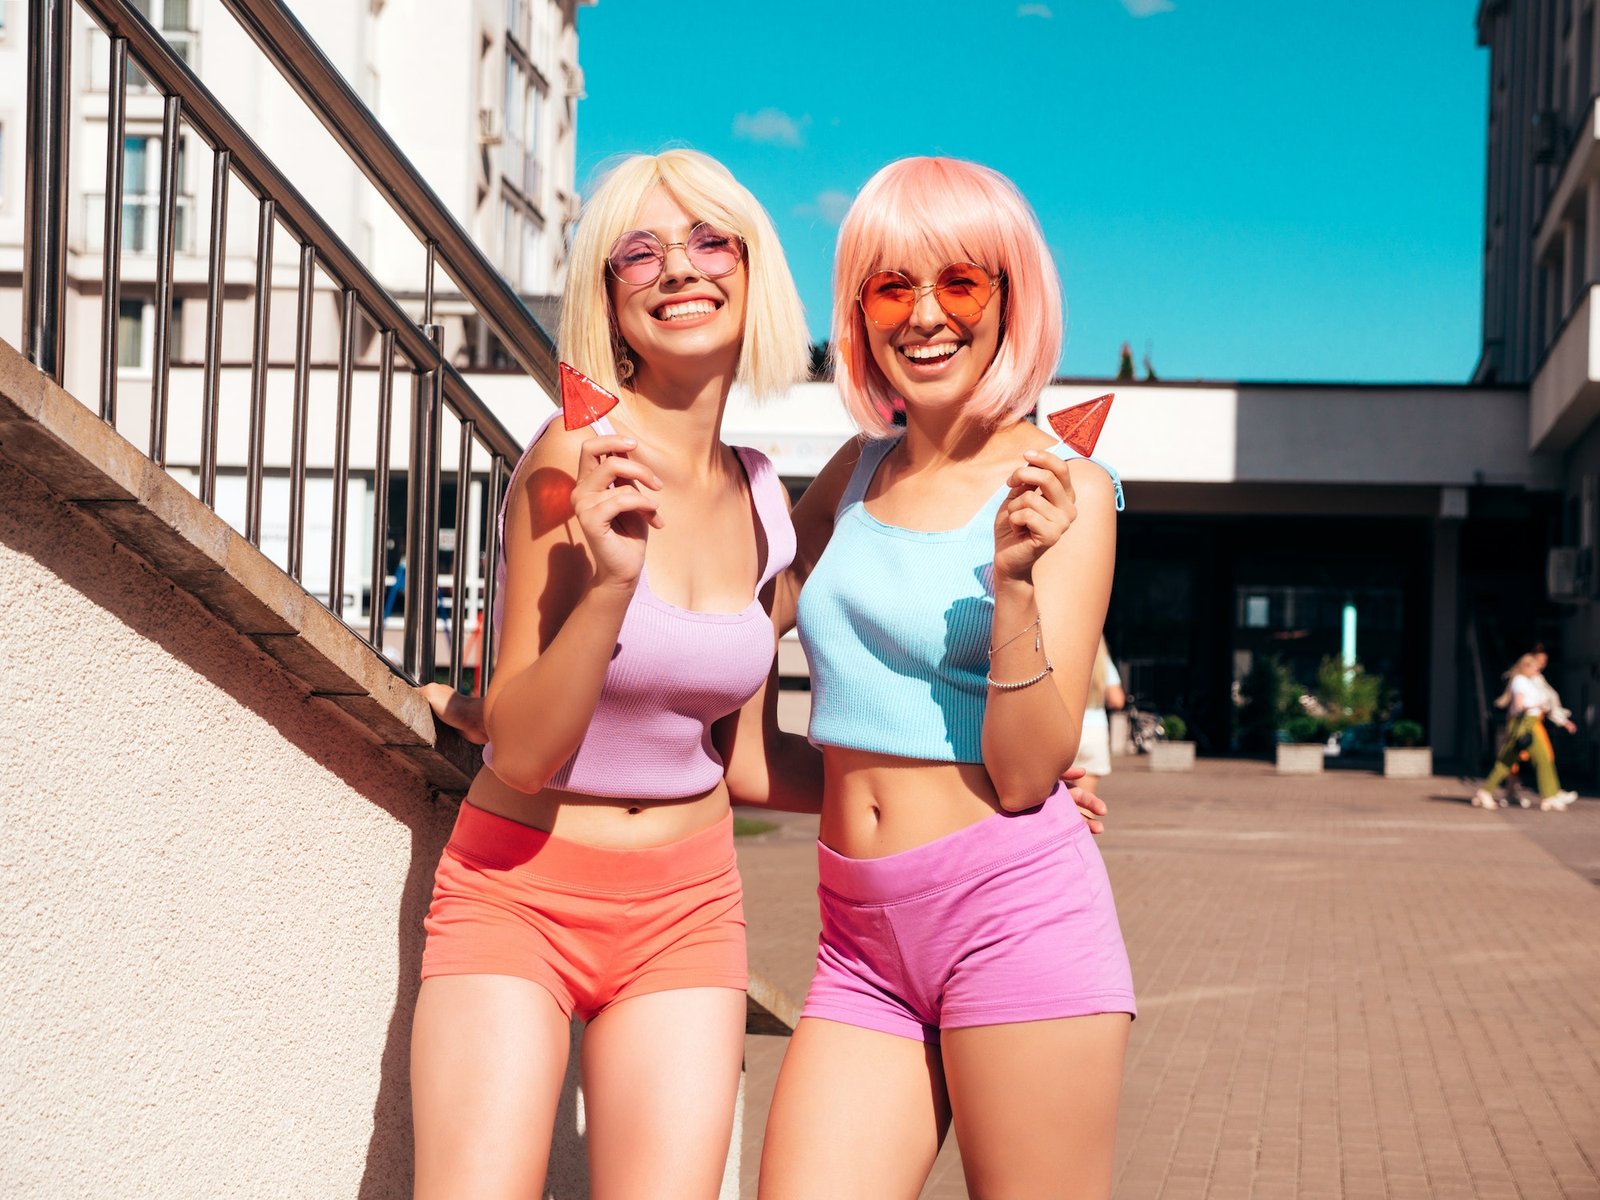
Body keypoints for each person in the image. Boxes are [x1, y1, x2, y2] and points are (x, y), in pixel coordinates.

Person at [408, 148, 827, 1199]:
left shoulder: (766, 498)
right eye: (638, 253)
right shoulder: (569, 459)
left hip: (689, 905)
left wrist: (963, 792)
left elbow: (749, 763)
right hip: (521, 889)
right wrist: (607, 587)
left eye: (706, 241)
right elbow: (528, 748)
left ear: (752, 266)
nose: (677, 270)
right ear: (609, 297)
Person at [760, 157, 1134, 1199]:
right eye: (890, 286)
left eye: (960, 282)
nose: (923, 314)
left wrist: (1015, 581)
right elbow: (732, 635)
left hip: (1012, 916)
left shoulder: (1066, 486)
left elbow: (1022, 776)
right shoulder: (854, 471)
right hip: (858, 936)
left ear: (1012, 298)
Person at [1475, 652, 1577, 812]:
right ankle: (1549, 796)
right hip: (1526, 724)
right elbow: (1518, 705)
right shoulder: (1520, 681)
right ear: (1526, 666)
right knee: (1541, 758)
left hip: (1528, 723)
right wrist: (1537, 704)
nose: (1538, 668)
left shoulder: (1528, 681)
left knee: (1508, 761)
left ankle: (1486, 791)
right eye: (1535, 666)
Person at [1073, 635, 1127, 794]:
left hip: (1063, 728)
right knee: (1085, 803)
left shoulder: (1062, 655)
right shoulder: (1102, 661)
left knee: (1053, 802)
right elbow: (1117, 700)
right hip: (1095, 731)